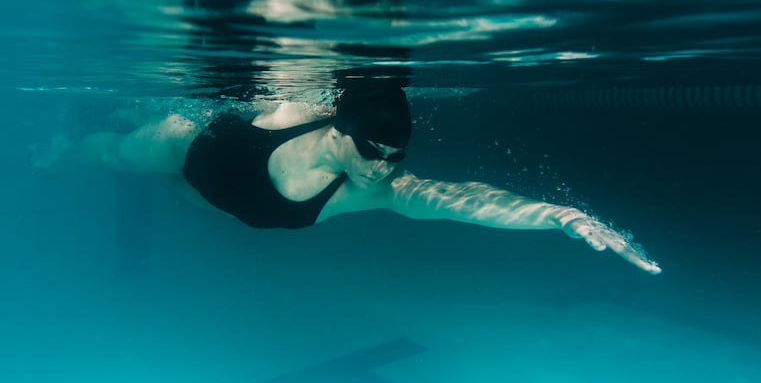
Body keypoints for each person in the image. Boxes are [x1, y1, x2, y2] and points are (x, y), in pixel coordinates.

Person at [36, 87, 661, 274]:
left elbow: (461, 200)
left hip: (219, 203)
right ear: (339, 130)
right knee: (118, 155)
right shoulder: (292, 108)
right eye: (372, 150)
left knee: (179, 195)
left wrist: (560, 216)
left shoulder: (376, 188)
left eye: (396, 154)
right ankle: (57, 152)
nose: (384, 166)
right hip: (193, 149)